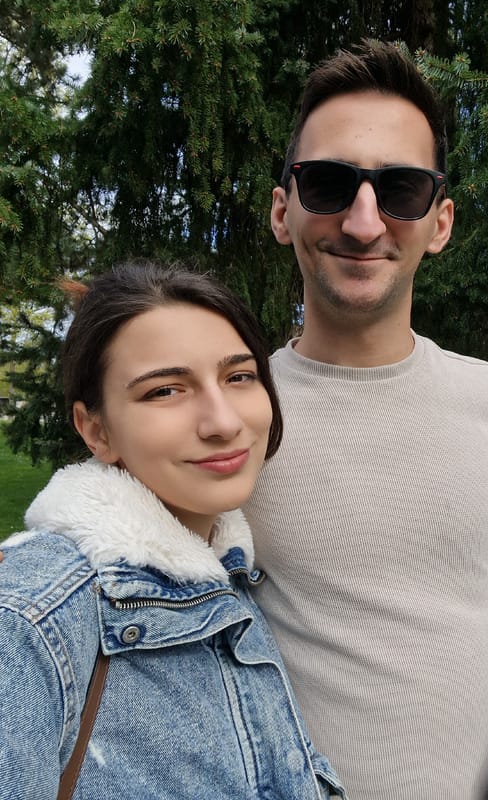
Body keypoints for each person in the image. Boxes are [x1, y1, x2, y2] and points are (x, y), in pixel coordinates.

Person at [241, 39, 488, 799]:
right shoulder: (235, 413)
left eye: (400, 189)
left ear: (439, 223)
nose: (363, 222)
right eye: (329, 183)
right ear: (282, 211)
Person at [0, 262, 344, 800]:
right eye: (164, 391)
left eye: (239, 377)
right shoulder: (31, 623)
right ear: (96, 430)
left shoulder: (227, 579)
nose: (223, 422)